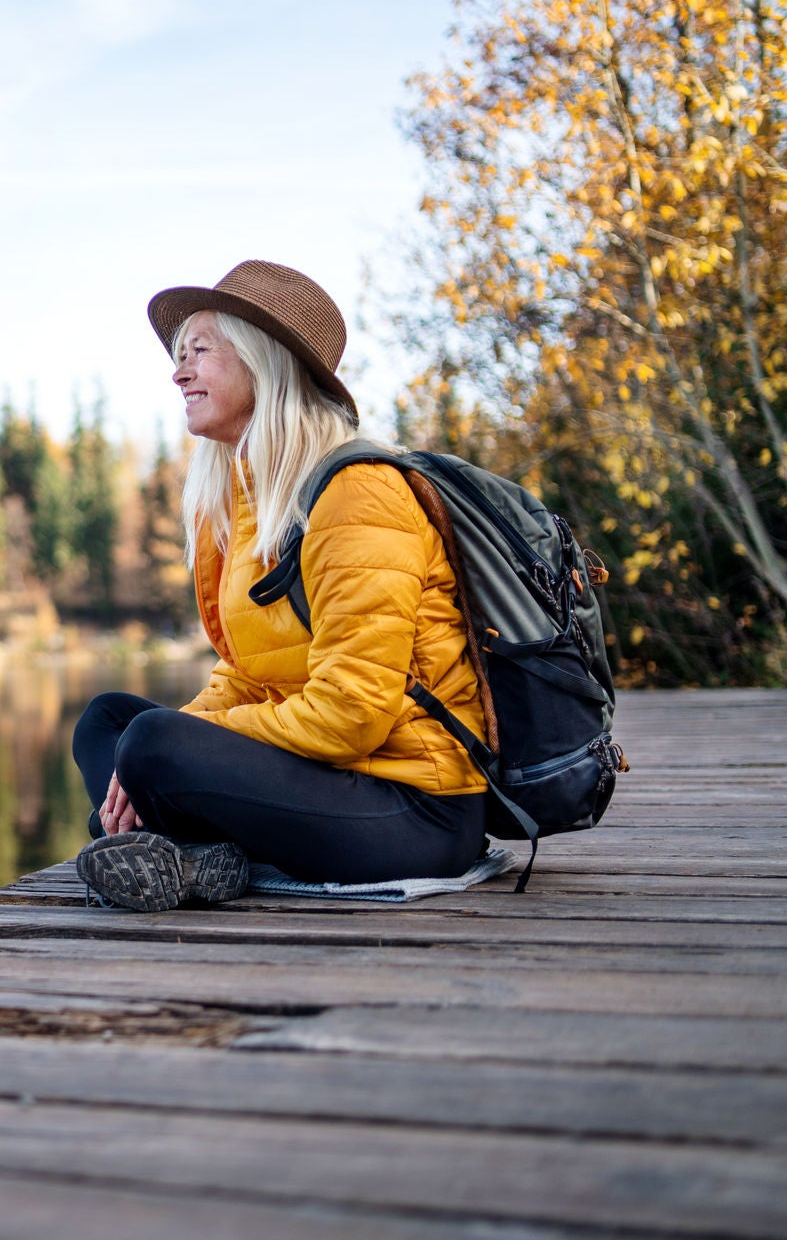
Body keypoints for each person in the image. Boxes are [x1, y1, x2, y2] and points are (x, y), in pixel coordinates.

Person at [72, 260, 489, 911]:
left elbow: (353, 716)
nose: (178, 373)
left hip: (413, 809)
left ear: (263, 361)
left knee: (148, 745)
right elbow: (246, 674)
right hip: (328, 780)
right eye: (180, 357)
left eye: (199, 352)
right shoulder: (254, 502)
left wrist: (173, 755)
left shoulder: (358, 492)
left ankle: (176, 847)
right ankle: (193, 855)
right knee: (109, 722)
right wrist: (164, 753)